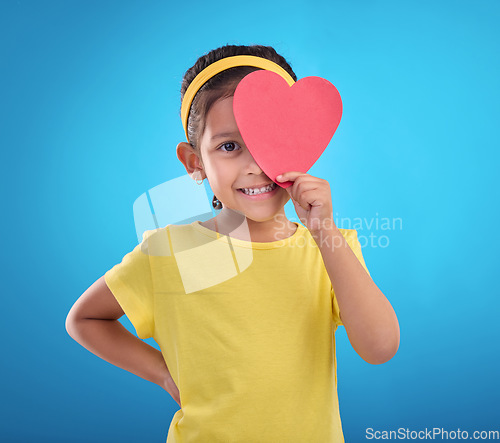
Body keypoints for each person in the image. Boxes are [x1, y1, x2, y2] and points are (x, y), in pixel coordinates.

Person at [66, 44, 400, 442]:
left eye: (272, 140)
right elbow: (84, 319)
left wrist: (323, 231)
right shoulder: (170, 252)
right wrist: (162, 374)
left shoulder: (327, 249)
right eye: (229, 146)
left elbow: (380, 348)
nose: (255, 165)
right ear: (195, 163)